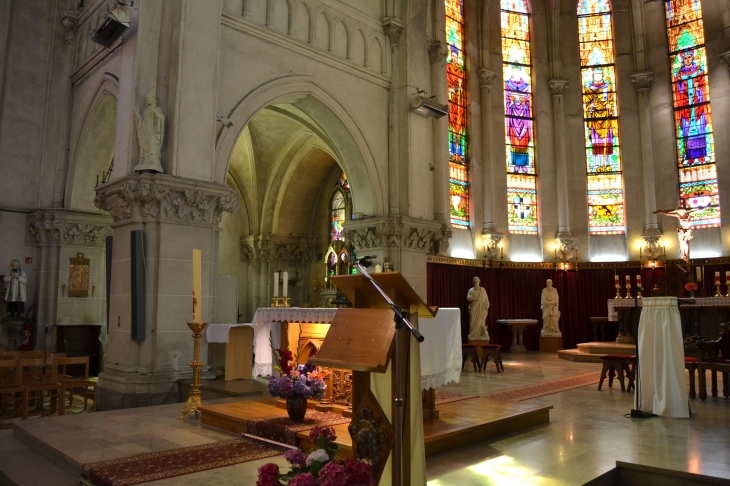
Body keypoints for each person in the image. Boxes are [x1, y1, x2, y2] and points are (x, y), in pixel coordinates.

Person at [133, 90, 165, 173]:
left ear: (153, 99)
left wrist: (155, 113)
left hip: (153, 133)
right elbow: (142, 122)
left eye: (149, 98)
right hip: (145, 132)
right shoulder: (145, 111)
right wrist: (137, 115)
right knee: (145, 146)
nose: (147, 100)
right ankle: (145, 161)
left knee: (152, 146)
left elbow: (161, 118)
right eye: (147, 98)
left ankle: (153, 161)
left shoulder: (157, 109)